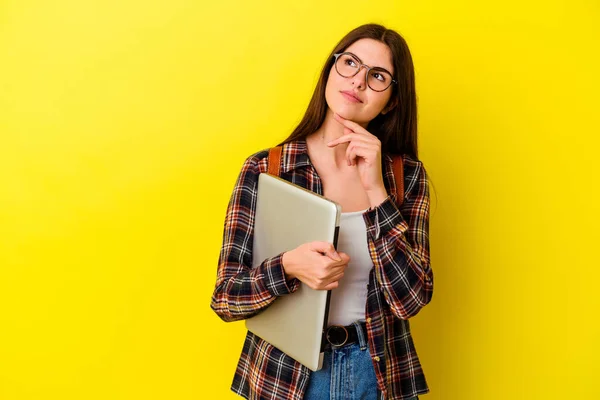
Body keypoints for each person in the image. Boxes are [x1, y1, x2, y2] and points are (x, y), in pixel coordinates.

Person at [210, 23, 433, 400]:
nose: (358, 81)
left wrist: (376, 190)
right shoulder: (267, 169)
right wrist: (287, 267)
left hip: (377, 375)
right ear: (331, 70)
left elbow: (410, 299)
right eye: (350, 63)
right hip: (284, 378)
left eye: (377, 75)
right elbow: (226, 298)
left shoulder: (403, 176)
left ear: (392, 100)